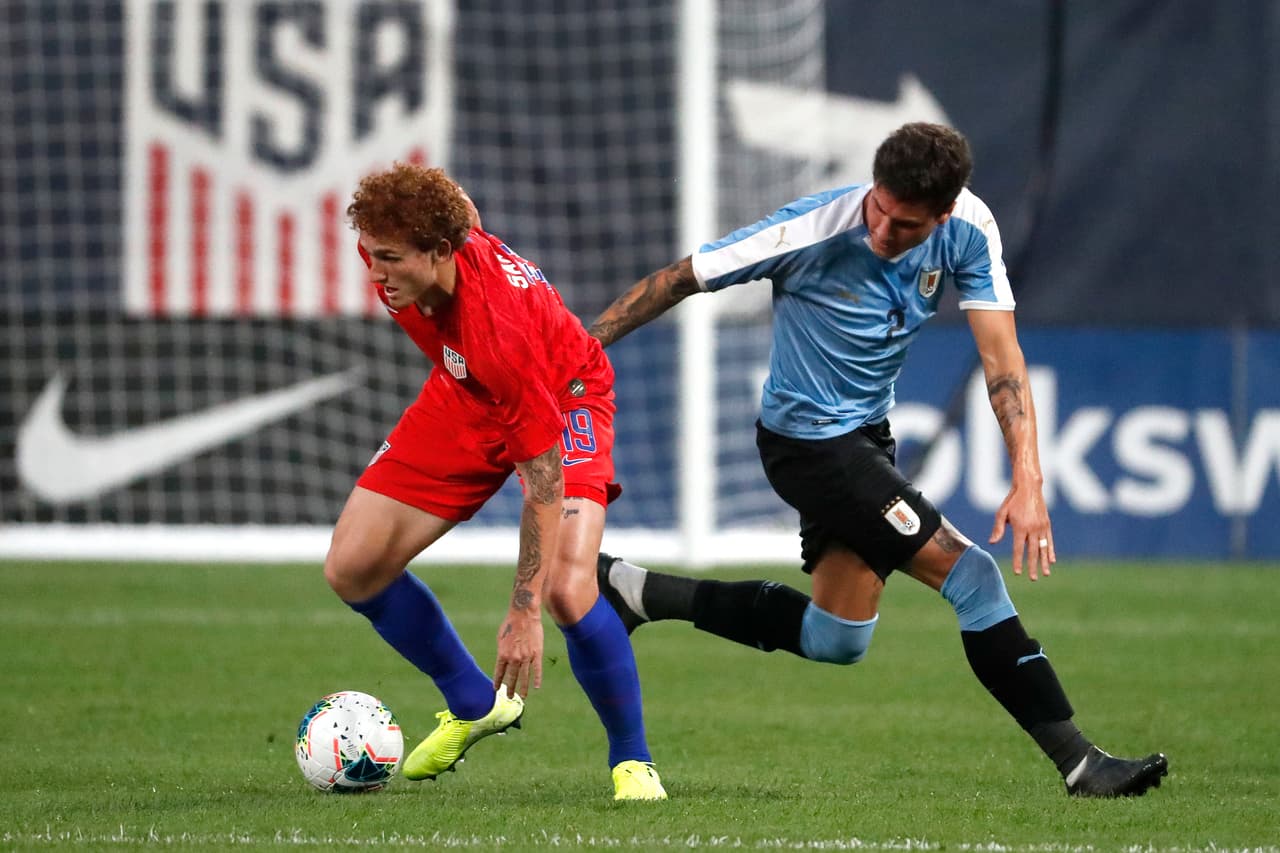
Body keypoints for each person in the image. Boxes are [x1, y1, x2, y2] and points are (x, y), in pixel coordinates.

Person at [589, 122, 1167, 798]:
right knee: (972, 576)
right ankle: (1081, 762)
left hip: (866, 438)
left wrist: (1028, 475)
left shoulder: (970, 230)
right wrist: (580, 350)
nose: (883, 231)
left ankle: (636, 590)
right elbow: (680, 277)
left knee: (838, 636)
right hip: (804, 445)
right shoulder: (810, 229)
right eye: (879, 209)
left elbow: (1002, 360)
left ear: (944, 213)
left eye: (906, 224)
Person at [324, 162, 666, 801]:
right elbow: (461, 203)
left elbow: (543, 484)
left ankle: (632, 759)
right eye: (369, 253)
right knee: (353, 566)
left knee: (566, 590)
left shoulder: (497, 333)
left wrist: (521, 611)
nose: (374, 272)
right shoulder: (414, 240)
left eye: (391, 259)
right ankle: (474, 701)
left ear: (440, 251)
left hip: (563, 398)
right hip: (464, 393)